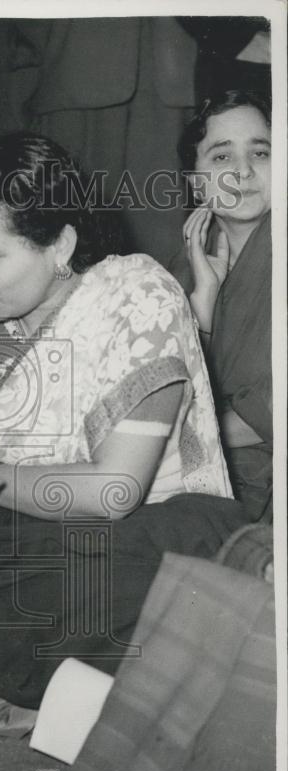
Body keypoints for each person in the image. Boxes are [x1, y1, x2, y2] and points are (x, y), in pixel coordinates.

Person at [0, 132, 248, 727]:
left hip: (137, 534)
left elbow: (114, 491)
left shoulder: (133, 298)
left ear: (60, 244)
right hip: (17, 549)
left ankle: (84, 698)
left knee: (153, 562)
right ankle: (120, 696)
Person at [169, 90, 272, 521]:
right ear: (196, 180)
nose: (244, 172)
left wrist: (169, 442)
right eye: (222, 158)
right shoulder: (188, 260)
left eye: (261, 152)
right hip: (205, 470)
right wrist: (204, 306)